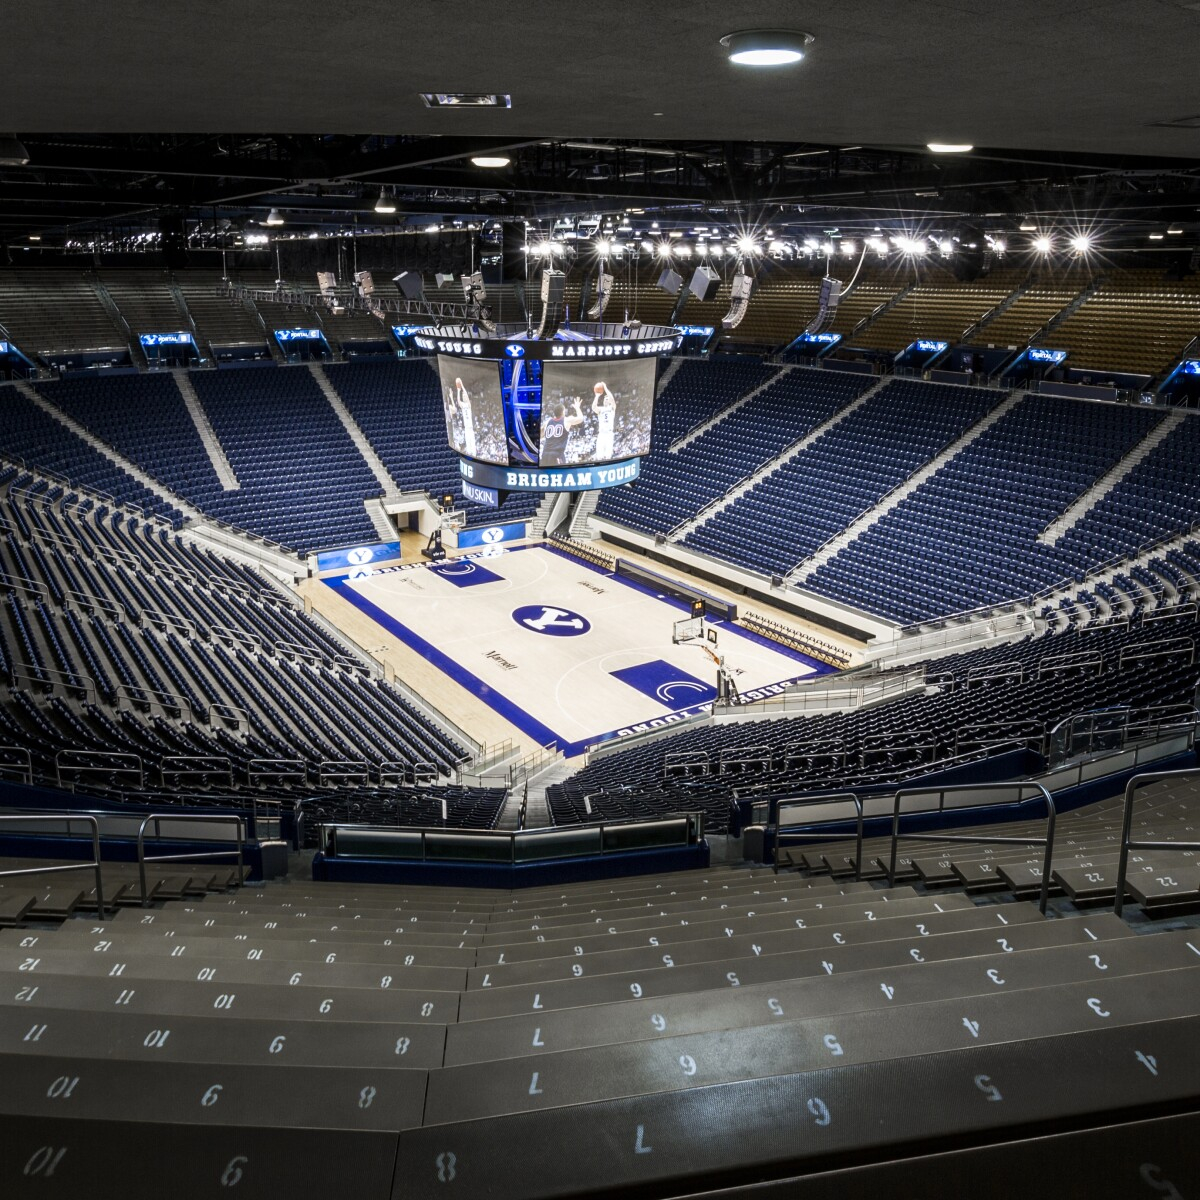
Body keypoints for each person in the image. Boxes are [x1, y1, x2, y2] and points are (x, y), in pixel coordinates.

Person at [591, 381, 617, 461]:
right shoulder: (601, 409)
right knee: (599, 457)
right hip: (601, 434)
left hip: (609, 434)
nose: (606, 400)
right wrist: (597, 396)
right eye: (605, 399)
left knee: (608, 457)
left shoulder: (612, 408)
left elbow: (612, 399)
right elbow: (593, 407)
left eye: (607, 399)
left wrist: (605, 388)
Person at [454, 377, 476, 458]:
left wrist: (462, 385)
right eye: (463, 396)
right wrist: (458, 390)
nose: (464, 396)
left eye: (465, 396)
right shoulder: (463, 405)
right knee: (468, 444)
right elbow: (458, 400)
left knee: (472, 444)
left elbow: (466, 393)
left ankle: (474, 455)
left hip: (471, 428)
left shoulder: (468, 404)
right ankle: (471, 456)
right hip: (467, 428)